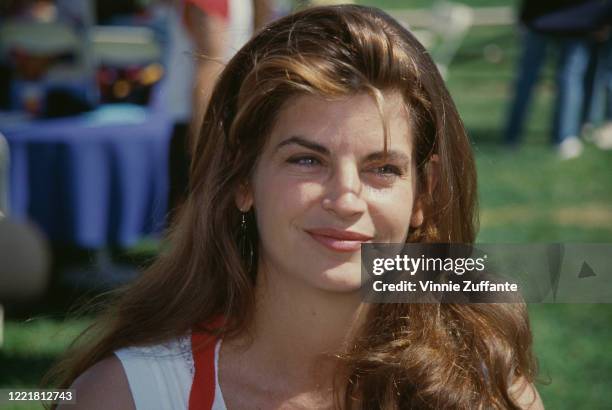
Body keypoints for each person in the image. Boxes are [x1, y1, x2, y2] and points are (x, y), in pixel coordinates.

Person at [48, 5, 543, 409]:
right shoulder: (126, 397)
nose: (346, 198)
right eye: (307, 160)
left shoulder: (485, 392)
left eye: (383, 169)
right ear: (243, 179)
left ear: (424, 194)